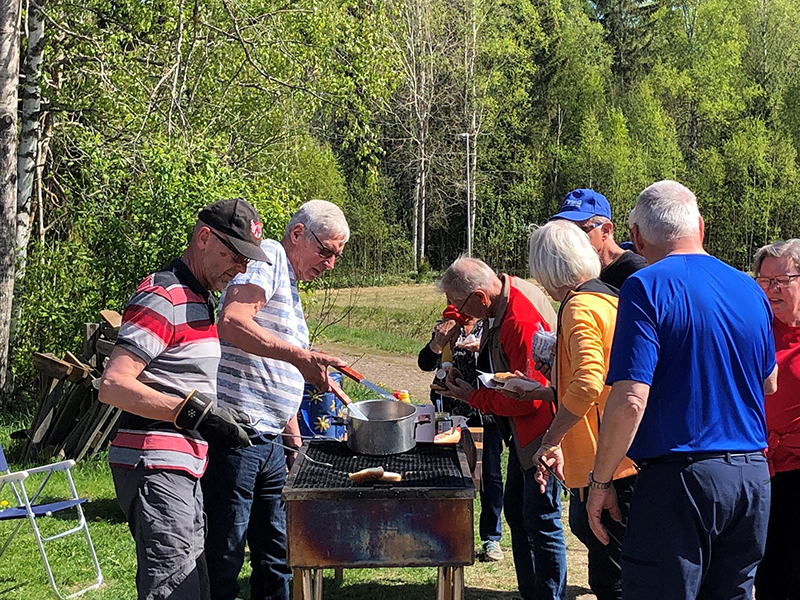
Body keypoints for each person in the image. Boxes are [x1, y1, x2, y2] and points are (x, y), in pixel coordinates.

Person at [586, 180, 778, 600]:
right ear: (701, 227)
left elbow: (631, 398)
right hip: (750, 477)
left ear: (635, 237)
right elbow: (770, 381)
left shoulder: (645, 286)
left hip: (681, 479)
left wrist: (600, 482)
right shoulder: (750, 287)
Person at [98, 198, 269, 600]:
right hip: (154, 463)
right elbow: (115, 384)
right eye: (235, 255)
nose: (241, 268)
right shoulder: (164, 294)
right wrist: (198, 414)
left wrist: (216, 413)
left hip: (183, 465)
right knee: (175, 591)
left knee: (194, 587)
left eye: (247, 260)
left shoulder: (199, 300)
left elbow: (178, 380)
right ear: (204, 237)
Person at [202, 200, 350, 600]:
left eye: (337, 255)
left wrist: (294, 442)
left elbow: (277, 374)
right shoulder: (268, 255)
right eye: (327, 251)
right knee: (226, 552)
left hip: (269, 440)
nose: (330, 264)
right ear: (298, 234)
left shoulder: (289, 281)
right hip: (239, 435)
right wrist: (301, 357)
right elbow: (232, 322)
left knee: (276, 555)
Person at [511, 219, 636, 600]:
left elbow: (588, 383)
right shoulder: (607, 298)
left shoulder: (579, 306)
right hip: (615, 459)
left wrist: (551, 439)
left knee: (612, 581)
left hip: (612, 467)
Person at [440, 256, 567, 600]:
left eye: (461, 305)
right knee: (517, 511)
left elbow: (531, 399)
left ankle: (548, 594)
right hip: (522, 433)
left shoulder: (518, 319)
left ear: (480, 296)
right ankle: (531, 591)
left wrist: (475, 398)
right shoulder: (501, 304)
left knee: (541, 520)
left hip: (540, 435)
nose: (460, 314)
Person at [418, 307, 506, 562]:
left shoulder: (489, 326)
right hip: (449, 409)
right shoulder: (445, 326)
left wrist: (482, 349)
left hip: (485, 408)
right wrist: (438, 342)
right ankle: (445, 534)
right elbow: (425, 363)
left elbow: (504, 364)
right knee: (447, 471)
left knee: (490, 474)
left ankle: (491, 538)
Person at [752, 240, 800, 600]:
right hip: (761, 473)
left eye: (782, 280)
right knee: (767, 573)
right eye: (764, 281)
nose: (771, 289)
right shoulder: (755, 329)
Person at [551, 188, 647, 289]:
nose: (570, 237)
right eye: (566, 230)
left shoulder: (637, 273)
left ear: (605, 230)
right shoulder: (580, 272)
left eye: (580, 230)